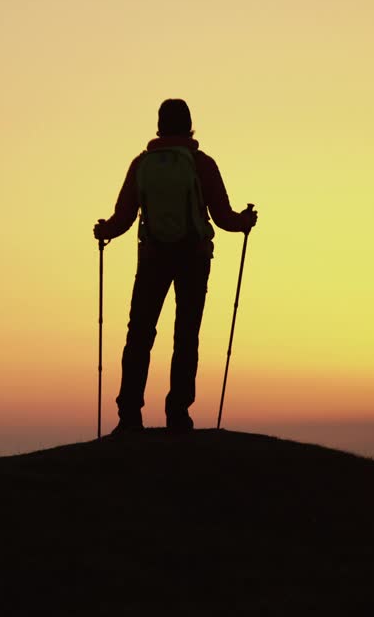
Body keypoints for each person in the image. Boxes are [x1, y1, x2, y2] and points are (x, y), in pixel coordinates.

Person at [93, 99, 258, 433]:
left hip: (152, 258)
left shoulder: (142, 164)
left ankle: (129, 416)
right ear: (189, 125)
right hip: (193, 258)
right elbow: (223, 216)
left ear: (159, 125)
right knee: (186, 336)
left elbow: (124, 217)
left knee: (139, 334)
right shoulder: (201, 164)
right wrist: (245, 221)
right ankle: (178, 414)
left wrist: (104, 231)